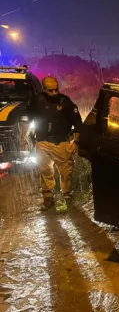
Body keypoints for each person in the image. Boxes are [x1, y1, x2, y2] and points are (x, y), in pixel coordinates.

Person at [26, 76, 83, 211]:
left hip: (61, 141)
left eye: (56, 89)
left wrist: (76, 141)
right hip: (42, 141)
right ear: (44, 89)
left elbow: (78, 123)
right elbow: (27, 118)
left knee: (66, 171)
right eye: (50, 90)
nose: (54, 93)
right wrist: (24, 137)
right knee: (45, 170)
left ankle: (67, 196)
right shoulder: (37, 101)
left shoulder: (65, 102)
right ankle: (48, 198)